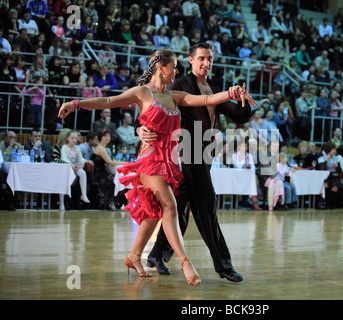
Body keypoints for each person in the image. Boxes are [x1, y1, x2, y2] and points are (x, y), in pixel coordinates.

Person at [59, 49, 256, 286]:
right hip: (151, 159)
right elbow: (108, 101)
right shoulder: (143, 92)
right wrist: (76, 103)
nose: (177, 71)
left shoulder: (175, 96)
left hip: (171, 162)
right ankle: (186, 262)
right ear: (161, 67)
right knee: (171, 206)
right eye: (174, 67)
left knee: (153, 213)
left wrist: (230, 93)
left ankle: (135, 256)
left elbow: (207, 100)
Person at [135, 43, 253, 282]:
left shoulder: (214, 86)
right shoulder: (179, 84)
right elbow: (150, 105)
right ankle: (224, 266)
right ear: (190, 60)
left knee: (180, 206)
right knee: (206, 204)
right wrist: (139, 128)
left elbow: (238, 115)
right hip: (185, 151)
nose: (206, 63)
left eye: (209, 59)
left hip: (206, 151)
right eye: (201, 59)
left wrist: (242, 99)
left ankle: (157, 255)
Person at [91, 129, 122, 210]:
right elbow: (110, 162)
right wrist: (123, 163)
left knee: (115, 179)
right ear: (101, 137)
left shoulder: (104, 148)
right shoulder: (101, 148)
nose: (107, 138)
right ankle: (105, 203)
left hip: (102, 171)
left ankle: (110, 203)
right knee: (113, 180)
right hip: (97, 173)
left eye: (108, 136)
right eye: (105, 136)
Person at [61, 130, 93, 205]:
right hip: (67, 168)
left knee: (82, 173)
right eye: (72, 138)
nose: (74, 140)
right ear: (67, 138)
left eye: (75, 138)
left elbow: (80, 159)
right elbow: (64, 159)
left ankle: (83, 194)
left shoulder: (76, 148)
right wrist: (71, 165)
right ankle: (63, 201)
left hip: (75, 167)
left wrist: (86, 161)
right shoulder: (64, 147)